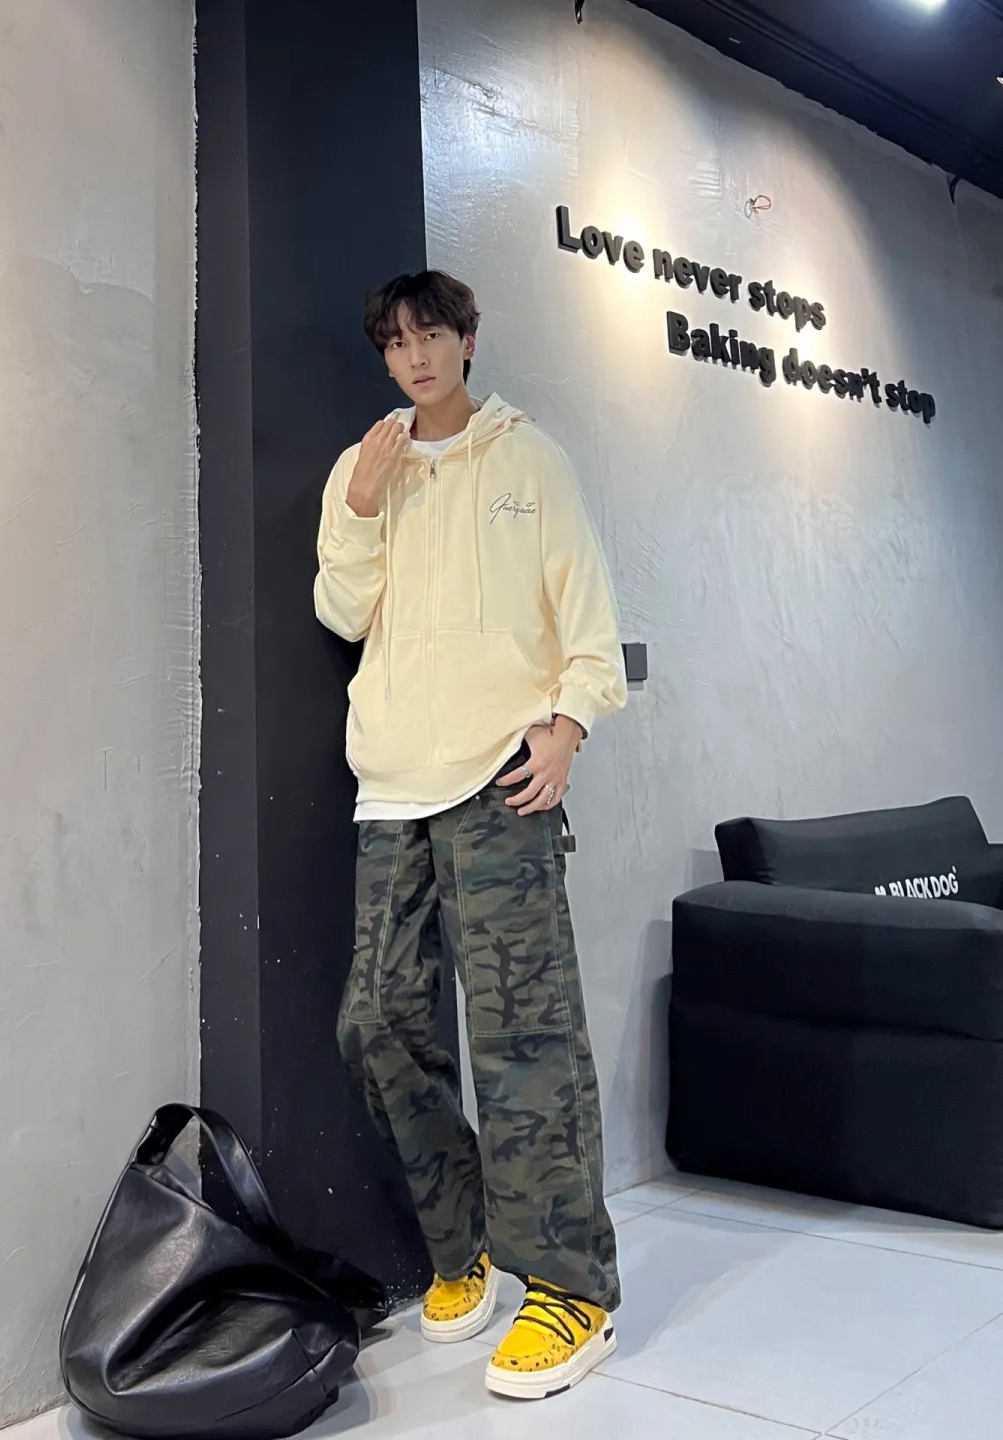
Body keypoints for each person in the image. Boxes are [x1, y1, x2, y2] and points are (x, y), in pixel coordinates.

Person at [314, 270, 627, 1401]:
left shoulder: (529, 460)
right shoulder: (365, 469)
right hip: (391, 784)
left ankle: (572, 1290)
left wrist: (569, 726)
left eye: (432, 335)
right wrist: (361, 505)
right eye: (395, 342)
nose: (415, 357)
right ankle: (466, 1243)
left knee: (522, 1035)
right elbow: (341, 611)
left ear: (467, 341)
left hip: (502, 778)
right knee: (377, 1022)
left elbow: (588, 618)